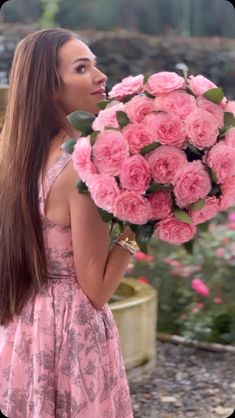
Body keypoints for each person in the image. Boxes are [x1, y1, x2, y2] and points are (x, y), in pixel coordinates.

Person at [0, 28, 138, 418]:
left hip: (24, 323)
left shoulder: (18, 158)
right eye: (83, 67)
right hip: (71, 333)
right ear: (49, 89)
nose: (100, 76)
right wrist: (137, 223)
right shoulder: (81, 168)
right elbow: (95, 289)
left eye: (94, 64)